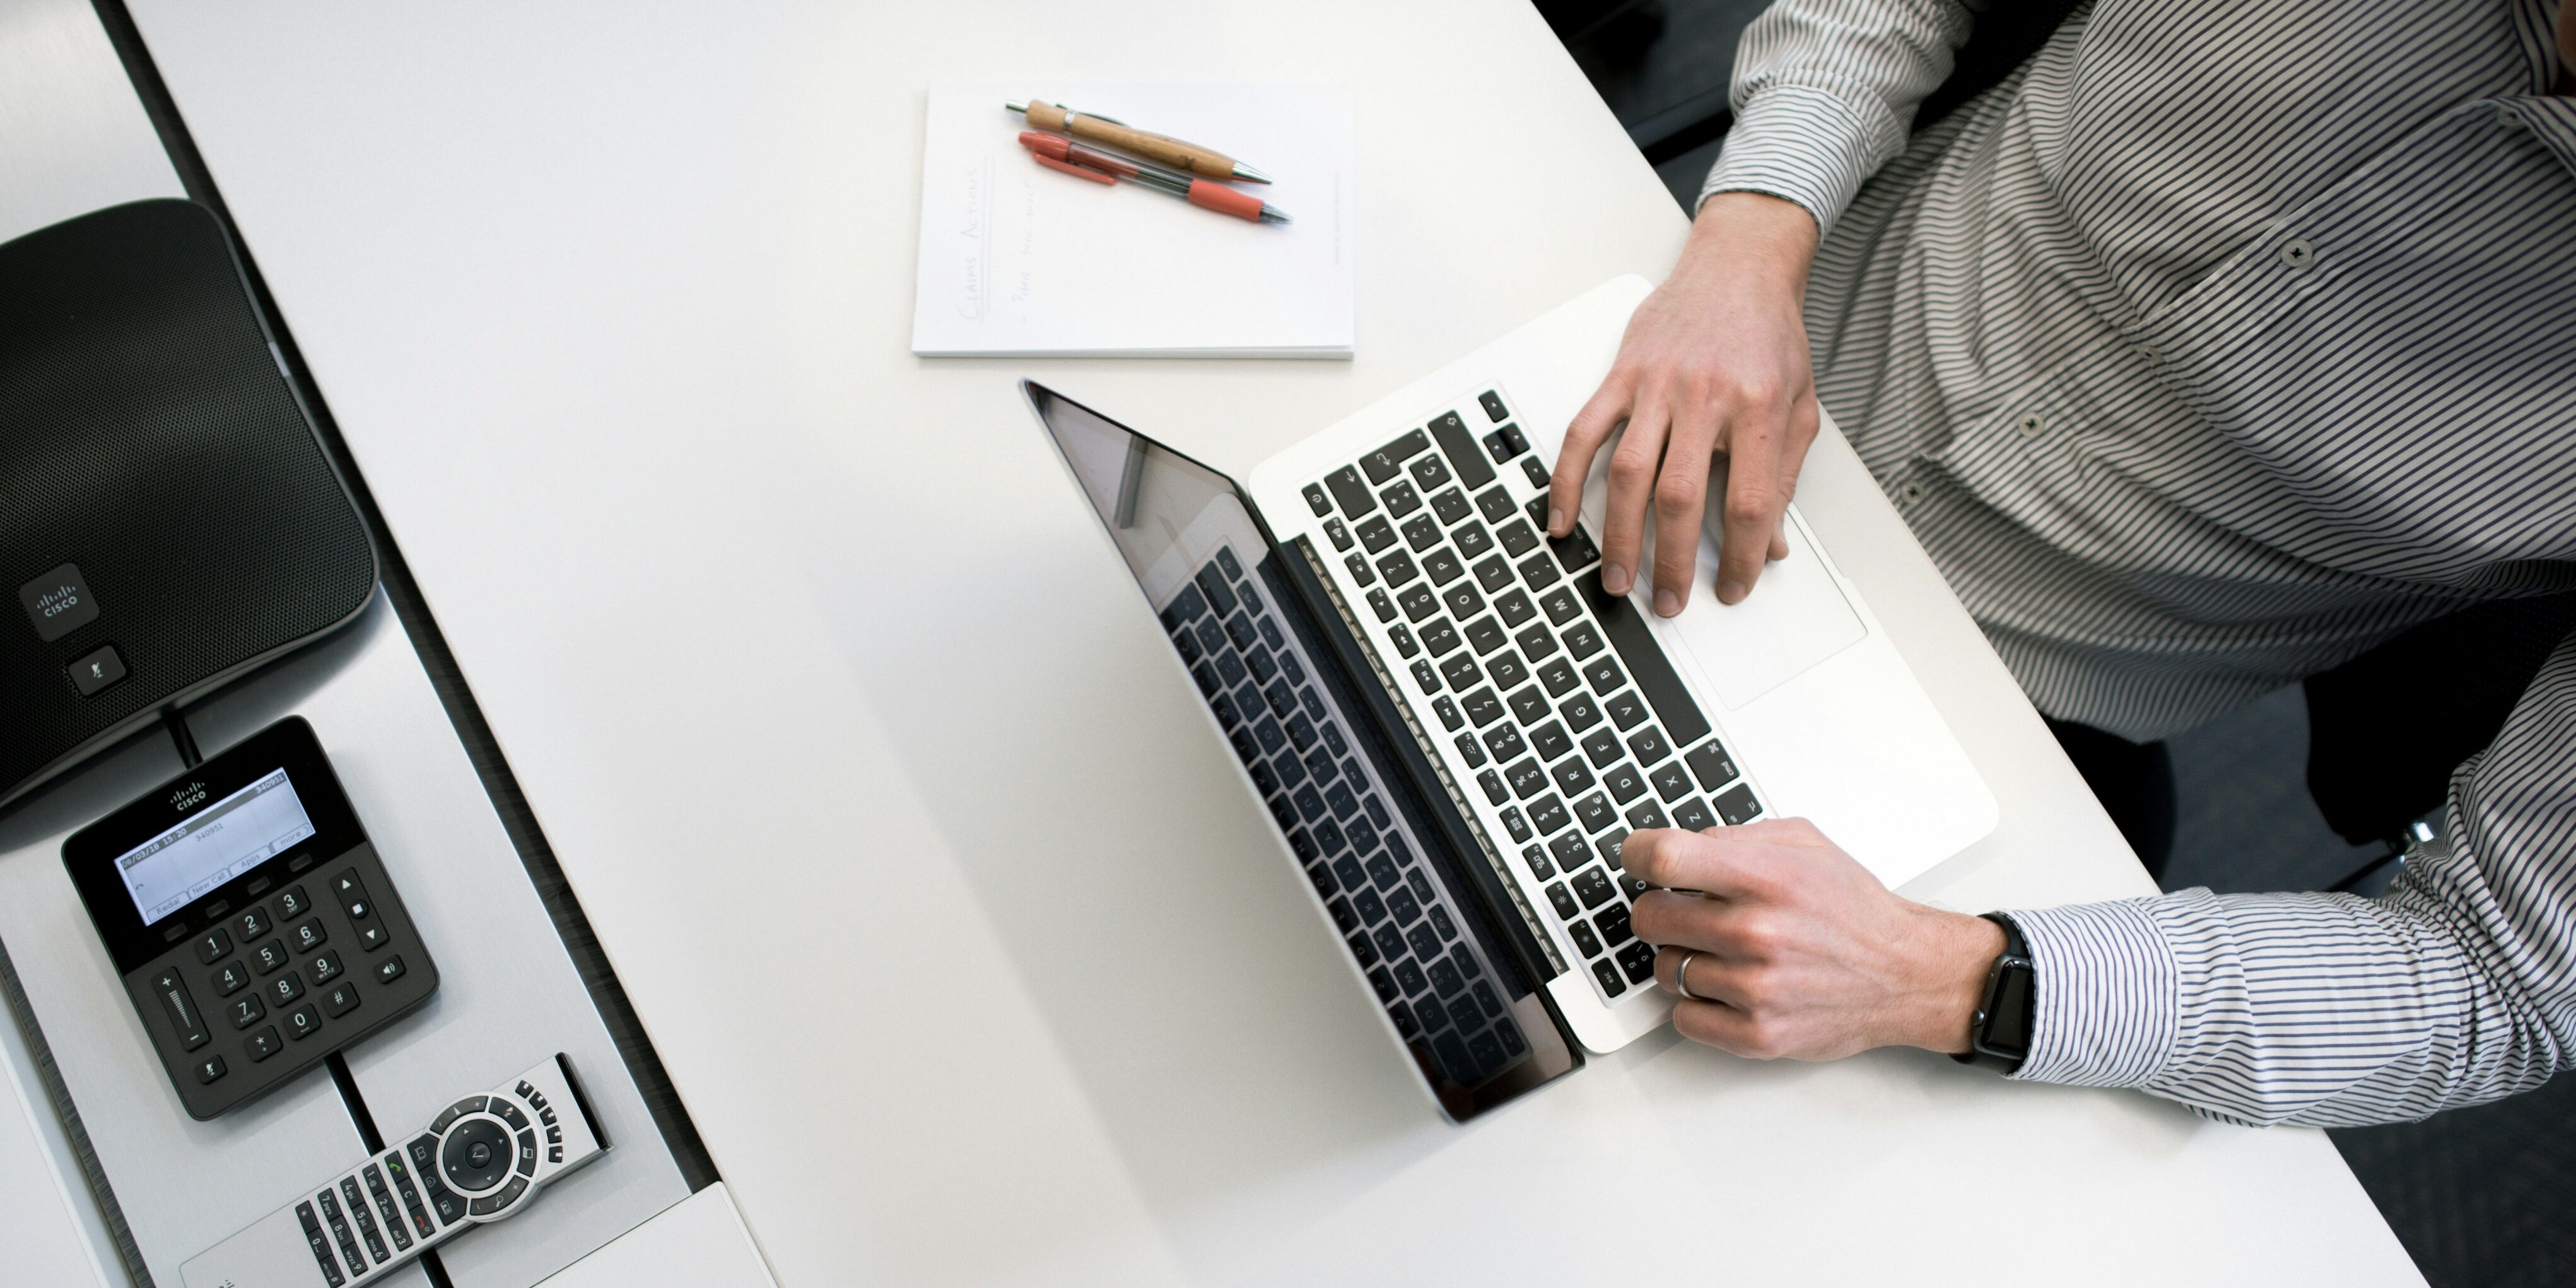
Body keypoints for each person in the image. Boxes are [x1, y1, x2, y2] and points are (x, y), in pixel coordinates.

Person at [1557, 0, 2576, 1126]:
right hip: (1693, 337)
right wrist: (1751, 239)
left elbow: (2497, 973)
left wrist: (1947, 977)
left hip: (1987, 721)